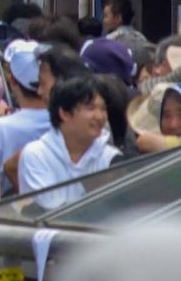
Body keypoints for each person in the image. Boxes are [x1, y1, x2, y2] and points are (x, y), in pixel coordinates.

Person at [14, 73, 116, 212]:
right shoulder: (36, 154)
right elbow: (52, 212)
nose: (99, 116)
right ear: (65, 113)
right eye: (91, 108)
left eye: (103, 109)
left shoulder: (110, 156)